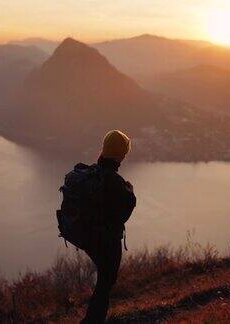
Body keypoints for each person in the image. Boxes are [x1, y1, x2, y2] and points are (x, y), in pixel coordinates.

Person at [81, 130, 136, 324]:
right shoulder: (115, 182)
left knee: (104, 280)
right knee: (106, 282)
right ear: (121, 154)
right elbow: (120, 217)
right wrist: (131, 196)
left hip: (87, 236)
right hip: (106, 240)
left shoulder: (92, 173)